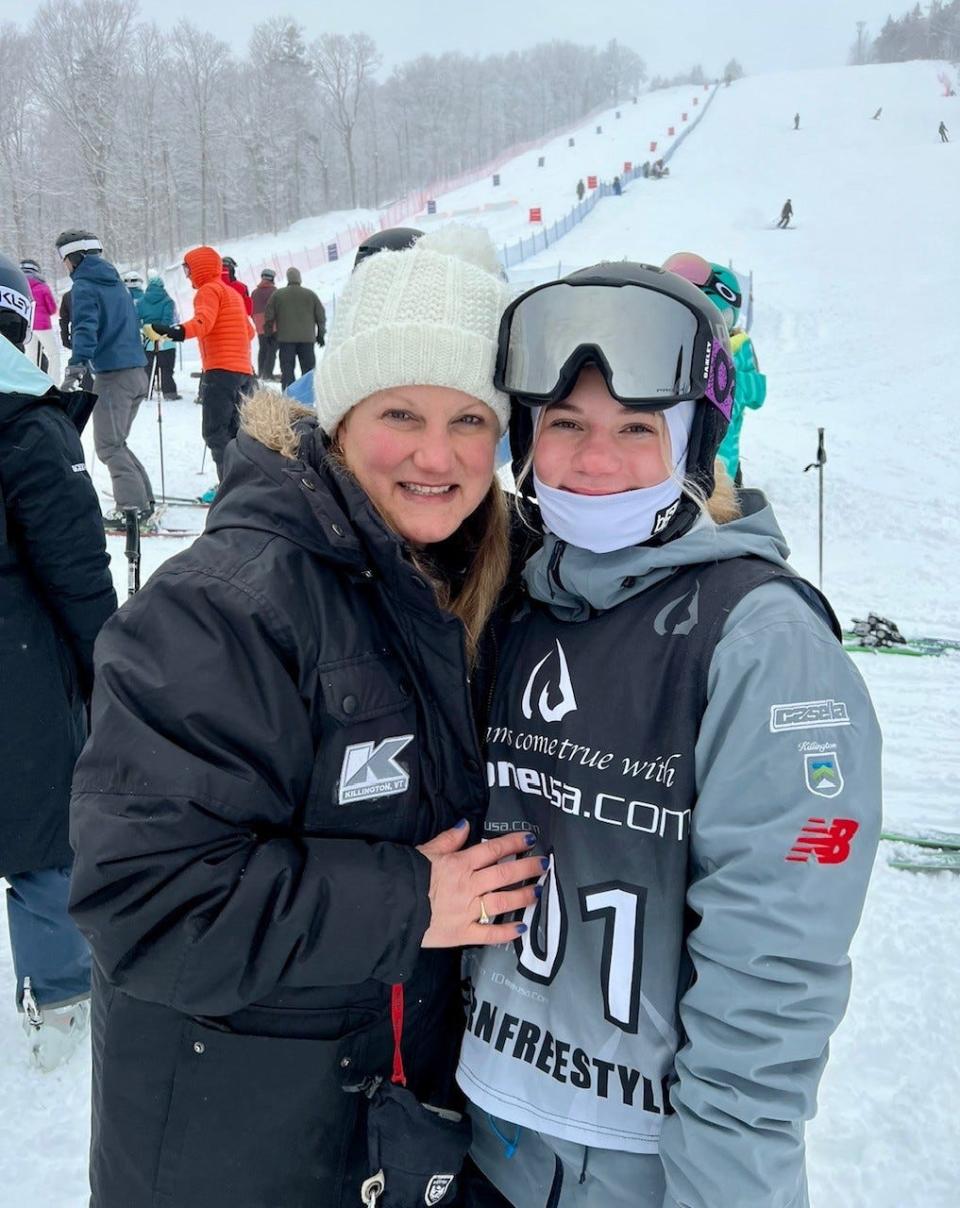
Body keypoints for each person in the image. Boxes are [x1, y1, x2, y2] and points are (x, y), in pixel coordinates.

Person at [68, 224, 541, 1208]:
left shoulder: (476, 577)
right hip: (235, 1149)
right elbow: (147, 903)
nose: (434, 454)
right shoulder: (223, 610)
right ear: (340, 415)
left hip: (388, 1131)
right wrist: (413, 901)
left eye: (470, 422)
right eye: (401, 412)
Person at [457, 262, 881, 1208]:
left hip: (637, 1178)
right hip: (485, 1147)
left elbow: (768, 990)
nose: (593, 461)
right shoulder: (513, 600)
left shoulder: (763, 646)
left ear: (693, 450)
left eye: (635, 430)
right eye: (565, 425)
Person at [0, 252, 117, 1073]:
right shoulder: (27, 421)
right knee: (44, 830)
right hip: (20, 665)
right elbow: (76, 569)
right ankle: (64, 997)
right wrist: (107, 665)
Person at [56, 229, 153, 528]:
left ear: (75, 257)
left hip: (114, 376)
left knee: (109, 446)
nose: (65, 268)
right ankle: (143, 501)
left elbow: (85, 326)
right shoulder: (116, 284)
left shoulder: (85, 286)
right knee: (117, 443)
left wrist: (76, 366)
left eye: (64, 261)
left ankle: (131, 510)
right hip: (137, 372)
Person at [147, 245, 256, 498]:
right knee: (236, 433)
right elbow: (249, 332)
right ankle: (244, 487)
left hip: (221, 371)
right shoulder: (231, 294)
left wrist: (169, 331)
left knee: (215, 433)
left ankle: (229, 492)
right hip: (243, 372)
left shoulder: (208, 291)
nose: (187, 275)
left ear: (200, 268)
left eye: (188, 269)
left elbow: (202, 323)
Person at [662, 251, 766, 482]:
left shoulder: (739, 346)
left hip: (722, 461)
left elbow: (758, 394)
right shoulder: (676, 343)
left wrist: (721, 376)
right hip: (674, 461)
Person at [263, 266, 327, 390]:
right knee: (308, 371)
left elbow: (269, 315)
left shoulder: (278, 295)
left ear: (288, 278)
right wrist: (321, 334)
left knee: (287, 370)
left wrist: (269, 332)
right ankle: (308, 396)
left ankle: (289, 396)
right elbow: (321, 316)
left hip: (286, 340)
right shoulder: (310, 295)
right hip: (307, 340)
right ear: (299, 279)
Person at [137, 273, 181, 400]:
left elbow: (136, 319)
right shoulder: (168, 301)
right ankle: (169, 393)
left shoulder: (141, 301)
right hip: (166, 340)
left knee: (148, 368)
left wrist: (147, 331)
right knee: (167, 368)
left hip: (148, 339)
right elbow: (167, 319)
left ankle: (146, 392)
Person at [20, 258, 60, 382]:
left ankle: (32, 384)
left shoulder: (20, 286)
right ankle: (54, 382)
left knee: (32, 356)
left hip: (28, 326)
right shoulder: (42, 287)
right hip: (43, 326)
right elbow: (52, 309)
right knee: (54, 354)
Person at [250, 267, 278, 380]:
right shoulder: (274, 291)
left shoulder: (254, 293)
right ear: (271, 278)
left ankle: (261, 372)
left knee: (263, 349)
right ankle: (268, 374)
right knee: (272, 350)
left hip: (260, 326)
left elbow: (251, 310)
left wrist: (256, 322)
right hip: (273, 326)